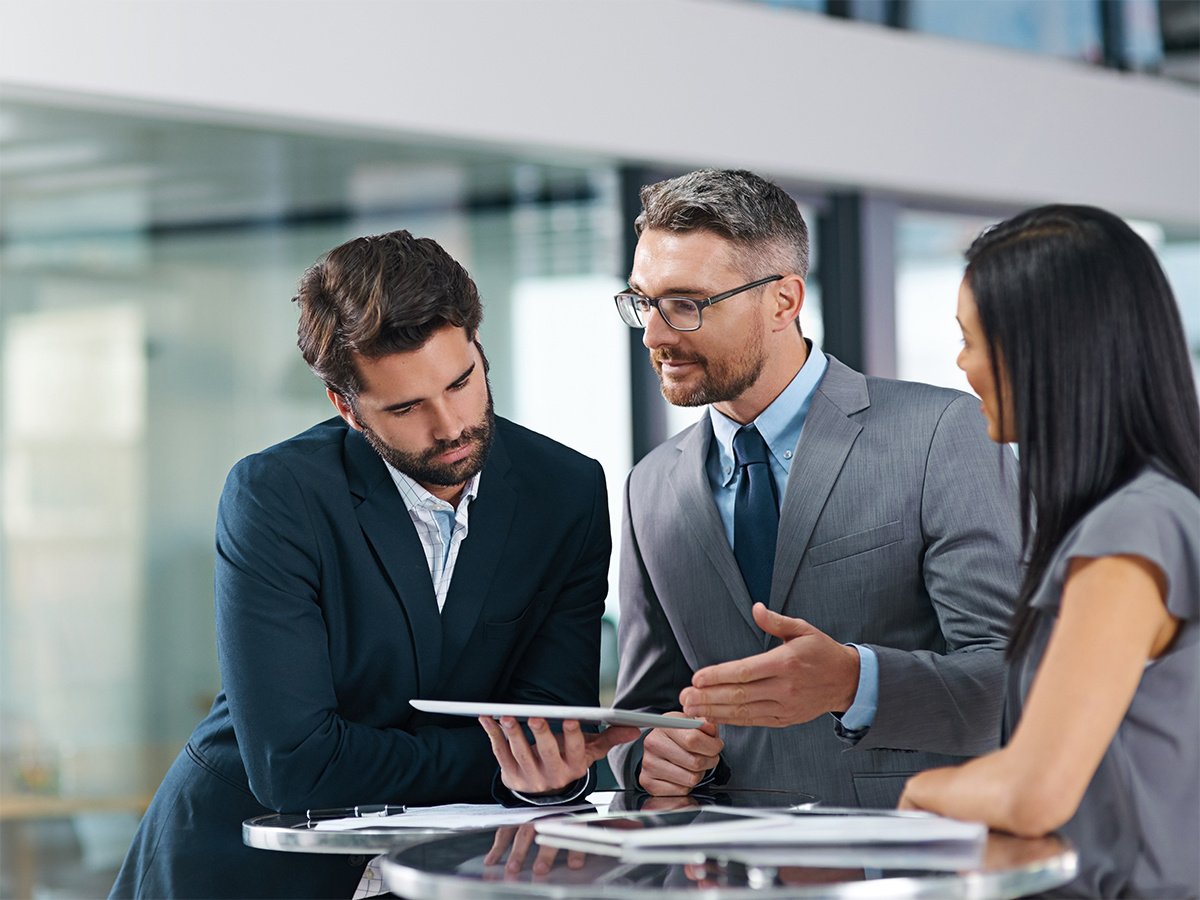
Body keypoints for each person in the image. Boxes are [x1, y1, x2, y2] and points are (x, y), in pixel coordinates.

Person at [111, 230, 636, 899]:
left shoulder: (565, 492)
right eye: (406, 406)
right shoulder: (278, 495)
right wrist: (499, 764)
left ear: (478, 348)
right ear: (347, 407)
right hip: (244, 867)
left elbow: (547, 730)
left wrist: (542, 768)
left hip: (443, 874)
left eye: (461, 382)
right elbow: (295, 767)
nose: (449, 425)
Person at [608, 169, 1023, 809]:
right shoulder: (649, 486)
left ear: (783, 301)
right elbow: (646, 708)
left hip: (899, 859)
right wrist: (645, 756)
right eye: (643, 302)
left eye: (686, 304)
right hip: (718, 868)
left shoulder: (943, 433)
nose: (655, 335)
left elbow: (1015, 680)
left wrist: (856, 682)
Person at [899, 205, 1200, 897]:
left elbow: (1036, 789)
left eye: (971, 339)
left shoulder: (1132, 530)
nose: (960, 362)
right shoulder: (1143, 514)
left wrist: (929, 788)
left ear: (1045, 350)